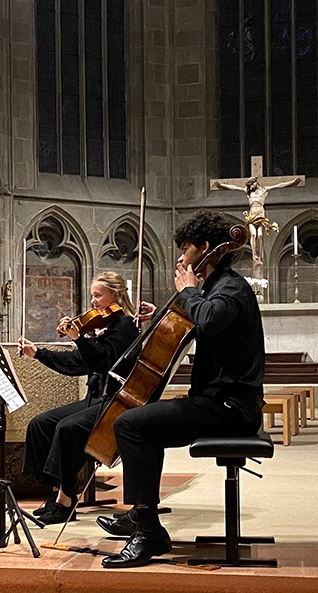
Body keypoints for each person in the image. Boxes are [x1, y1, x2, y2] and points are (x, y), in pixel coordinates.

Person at [99, 210, 265, 568]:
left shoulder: (231, 288)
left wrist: (187, 291)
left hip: (230, 409)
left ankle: (147, 530)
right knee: (143, 425)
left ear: (205, 248)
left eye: (185, 248)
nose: (180, 257)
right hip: (216, 403)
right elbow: (193, 318)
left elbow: (209, 317)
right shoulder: (217, 287)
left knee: (130, 425)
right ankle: (144, 516)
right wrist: (161, 312)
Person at [18, 271, 139, 525]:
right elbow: (77, 363)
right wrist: (38, 353)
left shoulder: (125, 326)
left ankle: (66, 500)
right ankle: (57, 491)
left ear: (115, 295)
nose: (93, 301)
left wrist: (80, 338)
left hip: (114, 402)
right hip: (95, 399)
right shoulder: (104, 327)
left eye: (98, 295)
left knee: (67, 428)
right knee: (41, 424)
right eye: (93, 295)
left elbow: (103, 361)